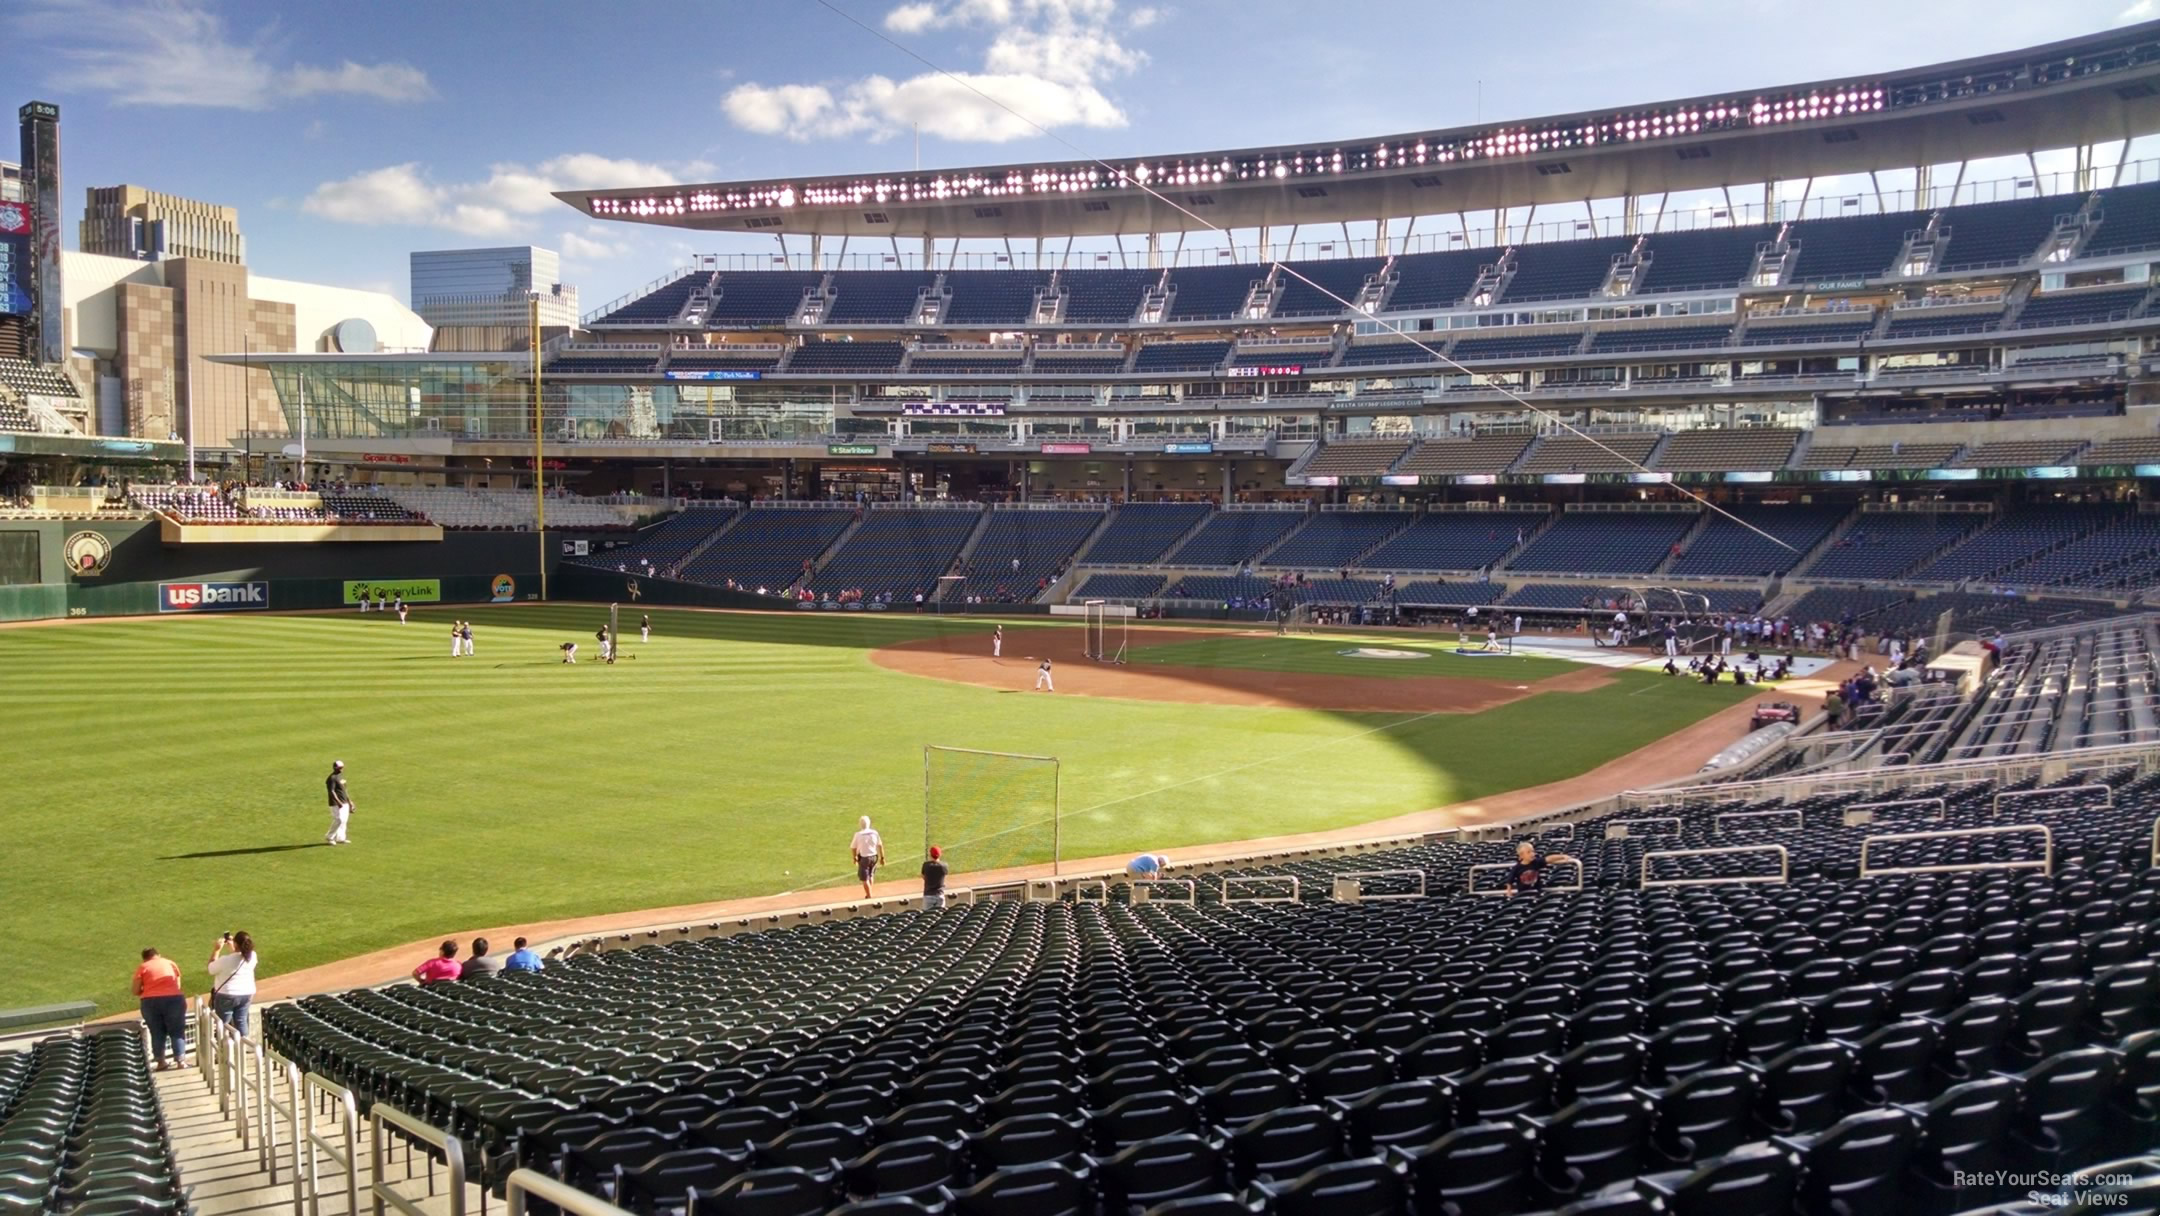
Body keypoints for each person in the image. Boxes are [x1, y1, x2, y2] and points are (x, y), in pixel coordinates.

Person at [133, 948, 187, 1070]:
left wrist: (147, 991)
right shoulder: (170, 963)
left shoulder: (143, 967)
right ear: (158, 955)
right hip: (174, 999)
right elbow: (177, 985)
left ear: (144, 958)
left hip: (150, 1001)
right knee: (177, 1031)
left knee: (156, 1032)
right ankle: (181, 1062)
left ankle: (161, 1062)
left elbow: (135, 990)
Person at [207, 931, 258, 1034]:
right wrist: (234, 947)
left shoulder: (225, 960)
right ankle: (243, 1043)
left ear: (236, 944)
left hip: (226, 995)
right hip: (247, 994)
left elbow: (210, 968)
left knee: (223, 1024)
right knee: (241, 1021)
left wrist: (217, 950)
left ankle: (223, 1044)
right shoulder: (252, 956)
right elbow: (238, 957)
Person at [1504, 840, 1578, 896]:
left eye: (1533, 851)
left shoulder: (1536, 862)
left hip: (1537, 893)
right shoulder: (1517, 868)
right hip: (1523, 895)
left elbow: (1549, 858)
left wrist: (1562, 856)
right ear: (1521, 855)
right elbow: (1509, 881)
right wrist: (1509, 892)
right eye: (1528, 852)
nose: (1532, 854)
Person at [850, 816, 886, 897]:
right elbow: (880, 845)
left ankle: (869, 895)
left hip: (864, 858)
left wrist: (854, 857)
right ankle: (869, 892)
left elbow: (853, 847)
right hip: (874, 856)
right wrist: (882, 858)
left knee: (864, 878)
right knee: (871, 875)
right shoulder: (875, 833)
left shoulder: (858, 834)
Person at [324, 760, 352, 846]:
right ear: (335, 768)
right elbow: (332, 791)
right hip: (335, 804)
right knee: (338, 820)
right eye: (339, 768)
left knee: (344, 820)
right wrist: (338, 802)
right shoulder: (331, 778)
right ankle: (329, 837)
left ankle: (341, 838)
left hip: (344, 802)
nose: (341, 769)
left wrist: (350, 802)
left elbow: (345, 790)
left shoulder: (341, 776)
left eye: (342, 767)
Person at [921, 845, 949, 911]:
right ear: (940, 854)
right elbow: (944, 875)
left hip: (928, 895)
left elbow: (923, 876)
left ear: (930, 855)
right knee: (939, 914)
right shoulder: (944, 865)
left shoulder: (926, 865)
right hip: (940, 895)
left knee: (927, 915)